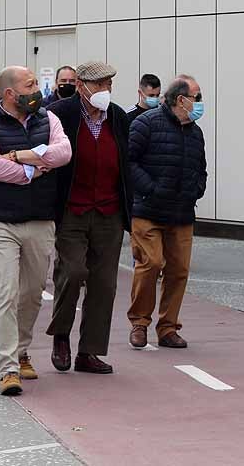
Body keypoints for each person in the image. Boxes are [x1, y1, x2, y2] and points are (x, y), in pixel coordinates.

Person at [0, 65, 72, 395]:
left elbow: (63, 152)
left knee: (31, 294)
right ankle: (7, 367)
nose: (37, 91)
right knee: (5, 291)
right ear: (10, 93)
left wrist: (20, 155)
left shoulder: (48, 118)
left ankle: (21, 348)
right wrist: (33, 171)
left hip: (40, 220)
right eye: (30, 86)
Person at [46, 62, 132, 375]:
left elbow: (125, 162)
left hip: (109, 211)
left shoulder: (118, 117)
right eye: (99, 85)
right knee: (72, 271)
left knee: (105, 283)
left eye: (109, 84)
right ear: (81, 85)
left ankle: (89, 351)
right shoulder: (60, 114)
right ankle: (61, 336)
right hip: (72, 208)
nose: (105, 91)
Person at [127, 75, 208, 349]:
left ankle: (168, 327)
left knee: (179, 270)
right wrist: (150, 189)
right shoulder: (145, 123)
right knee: (150, 263)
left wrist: (197, 188)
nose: (200, 103)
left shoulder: (196, 132)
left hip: (182, 213)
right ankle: (139, 322)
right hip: (148, 211)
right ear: (181, 99)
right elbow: (129, 162)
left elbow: (201, 168)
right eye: (197, 97)